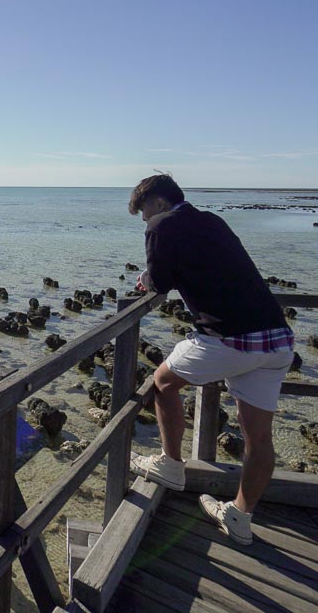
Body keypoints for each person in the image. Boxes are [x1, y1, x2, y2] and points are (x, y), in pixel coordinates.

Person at [126, 174, 293, 545]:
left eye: (144, 212)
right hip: (276, 339)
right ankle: (239, 516)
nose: (144, 221)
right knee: (258, 437)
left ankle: (171, 465)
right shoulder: (213, 221)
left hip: (231, 339)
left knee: (163, 383)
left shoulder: (162, 226)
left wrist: (147, 276)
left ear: (157, 202)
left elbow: (162, 281)